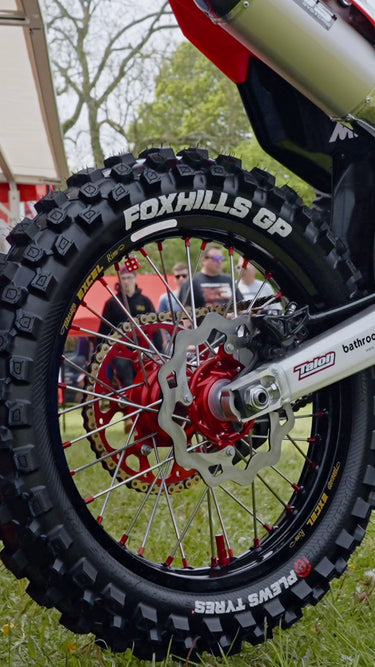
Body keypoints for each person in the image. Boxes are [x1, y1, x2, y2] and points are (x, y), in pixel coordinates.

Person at [97, 264, 162, 386]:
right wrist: (101, 355)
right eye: (123, 278)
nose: (126, 281)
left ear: (135, 278)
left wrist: (159, 350)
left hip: (142, 349)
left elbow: (155, 328)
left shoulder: (145, 301)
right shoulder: (112, 303)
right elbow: (103, 330)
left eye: (129, 278)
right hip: (121, 352)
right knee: (127, 382)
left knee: (145, 381)